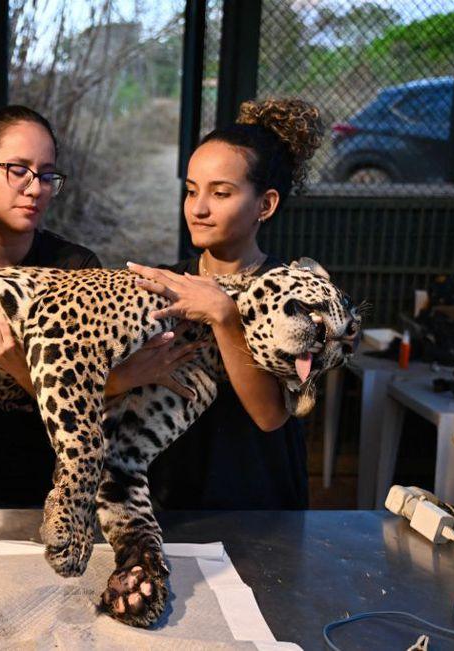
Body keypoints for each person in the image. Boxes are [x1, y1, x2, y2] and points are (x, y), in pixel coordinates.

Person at [0, 105, 201, 507]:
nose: (35, 188)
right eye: (18, 170)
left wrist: (17, 368)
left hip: (55, 492)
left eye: (47, 174)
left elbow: (99, 401)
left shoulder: (78, 268)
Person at [127, 97, 325, 510]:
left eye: (220, 193)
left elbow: (271, 415)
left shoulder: (297, 296)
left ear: (265, 205)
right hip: (170, 500)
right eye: (191, 191)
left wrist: (224, 314)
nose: (198, 208)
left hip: (260, 506)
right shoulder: (165, 282)